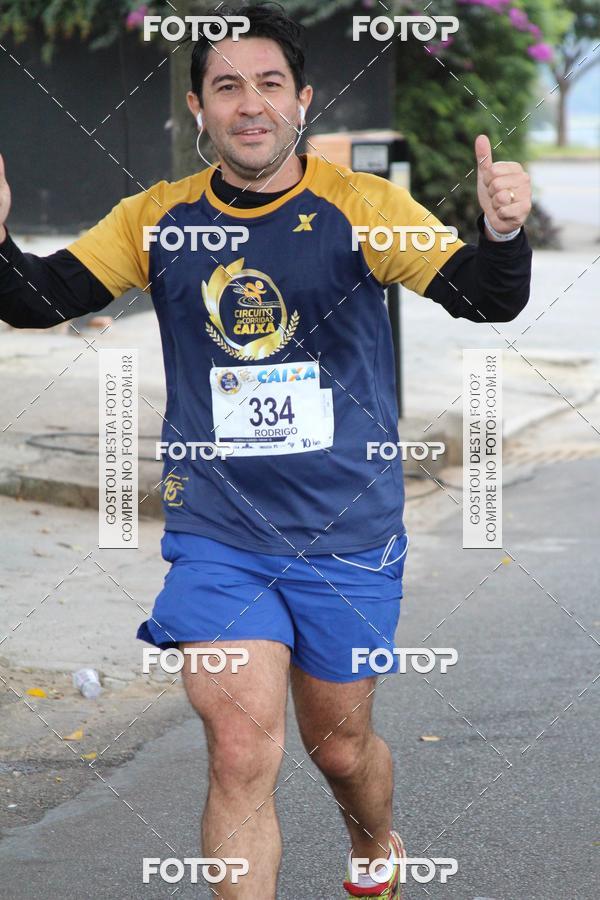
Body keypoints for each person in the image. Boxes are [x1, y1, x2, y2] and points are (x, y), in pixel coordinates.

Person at [0, 3, 532, 896]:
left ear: (303, 101)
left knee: (340, 747)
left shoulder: (362, 205)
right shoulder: (157, 219)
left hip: (347, 530)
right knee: (240, 746)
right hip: (220, 532)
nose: (251, 105)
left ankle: (374, 846)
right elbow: (38, 298)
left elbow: (484, 298)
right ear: (199, 111)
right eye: (227, 87)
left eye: (270, 85)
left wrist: (504, 234)